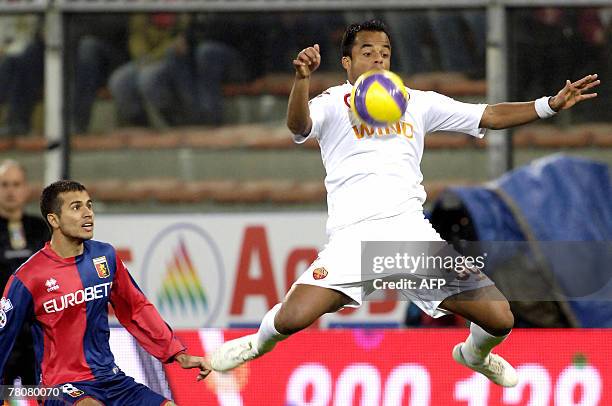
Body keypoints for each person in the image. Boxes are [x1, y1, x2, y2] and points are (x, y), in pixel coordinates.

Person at [204, 19, 599, 387]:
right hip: (353, 243)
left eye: (386, 51)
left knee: (499, 317)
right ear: (347, 61)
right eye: (367, 51)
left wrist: (550, 104)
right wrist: (301, 79)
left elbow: (489, 114)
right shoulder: (332, 100)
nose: (378, 57)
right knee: (292, 318)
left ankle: (473, 355)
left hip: (411, 238)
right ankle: (257, 345)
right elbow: (298, 126)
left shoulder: (416, 102)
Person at [0, 180, 210, 405]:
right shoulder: (29, 277)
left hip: (110, 378)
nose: (87, 213)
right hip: (59, 386)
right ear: (54, 220)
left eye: (89, 205)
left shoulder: (105, 257)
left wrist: (178, 353)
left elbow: (136, 308)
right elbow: (3, 337)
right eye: (76, 207)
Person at [0, 160, 49, 385]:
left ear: (26, 188)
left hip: (36, 331)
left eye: (16, 184)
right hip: (2, 331)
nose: (11, 191)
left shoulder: (41, 228)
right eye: (5, 184)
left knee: (43, 393)